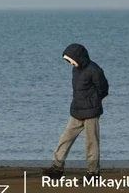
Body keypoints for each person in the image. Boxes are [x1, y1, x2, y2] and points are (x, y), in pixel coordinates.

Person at [43, 43, 109, 180]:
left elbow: (103, 88)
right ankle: (57, 168)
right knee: (65, 139)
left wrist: (94, 101)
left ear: (78, 57)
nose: (69, 63)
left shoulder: (94, 70)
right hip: (76, 111)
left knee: (91, 142)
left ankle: (93, 172)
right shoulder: (75, 70)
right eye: (67, 60)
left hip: (91, 112)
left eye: (70, 60)